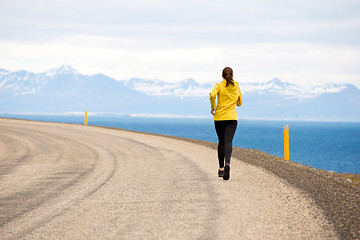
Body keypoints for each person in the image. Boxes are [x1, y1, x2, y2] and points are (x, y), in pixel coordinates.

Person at [209, 67, 242, 180]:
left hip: (219, 117)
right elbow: (240, 103)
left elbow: (212, 95)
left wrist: (213, 107)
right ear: (232, 75)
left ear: (222, 75)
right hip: (232, 118)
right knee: (228, 141)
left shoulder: (218, 86)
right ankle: (228, 163)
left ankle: (221, 169)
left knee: (221, 142)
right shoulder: (236, 87)